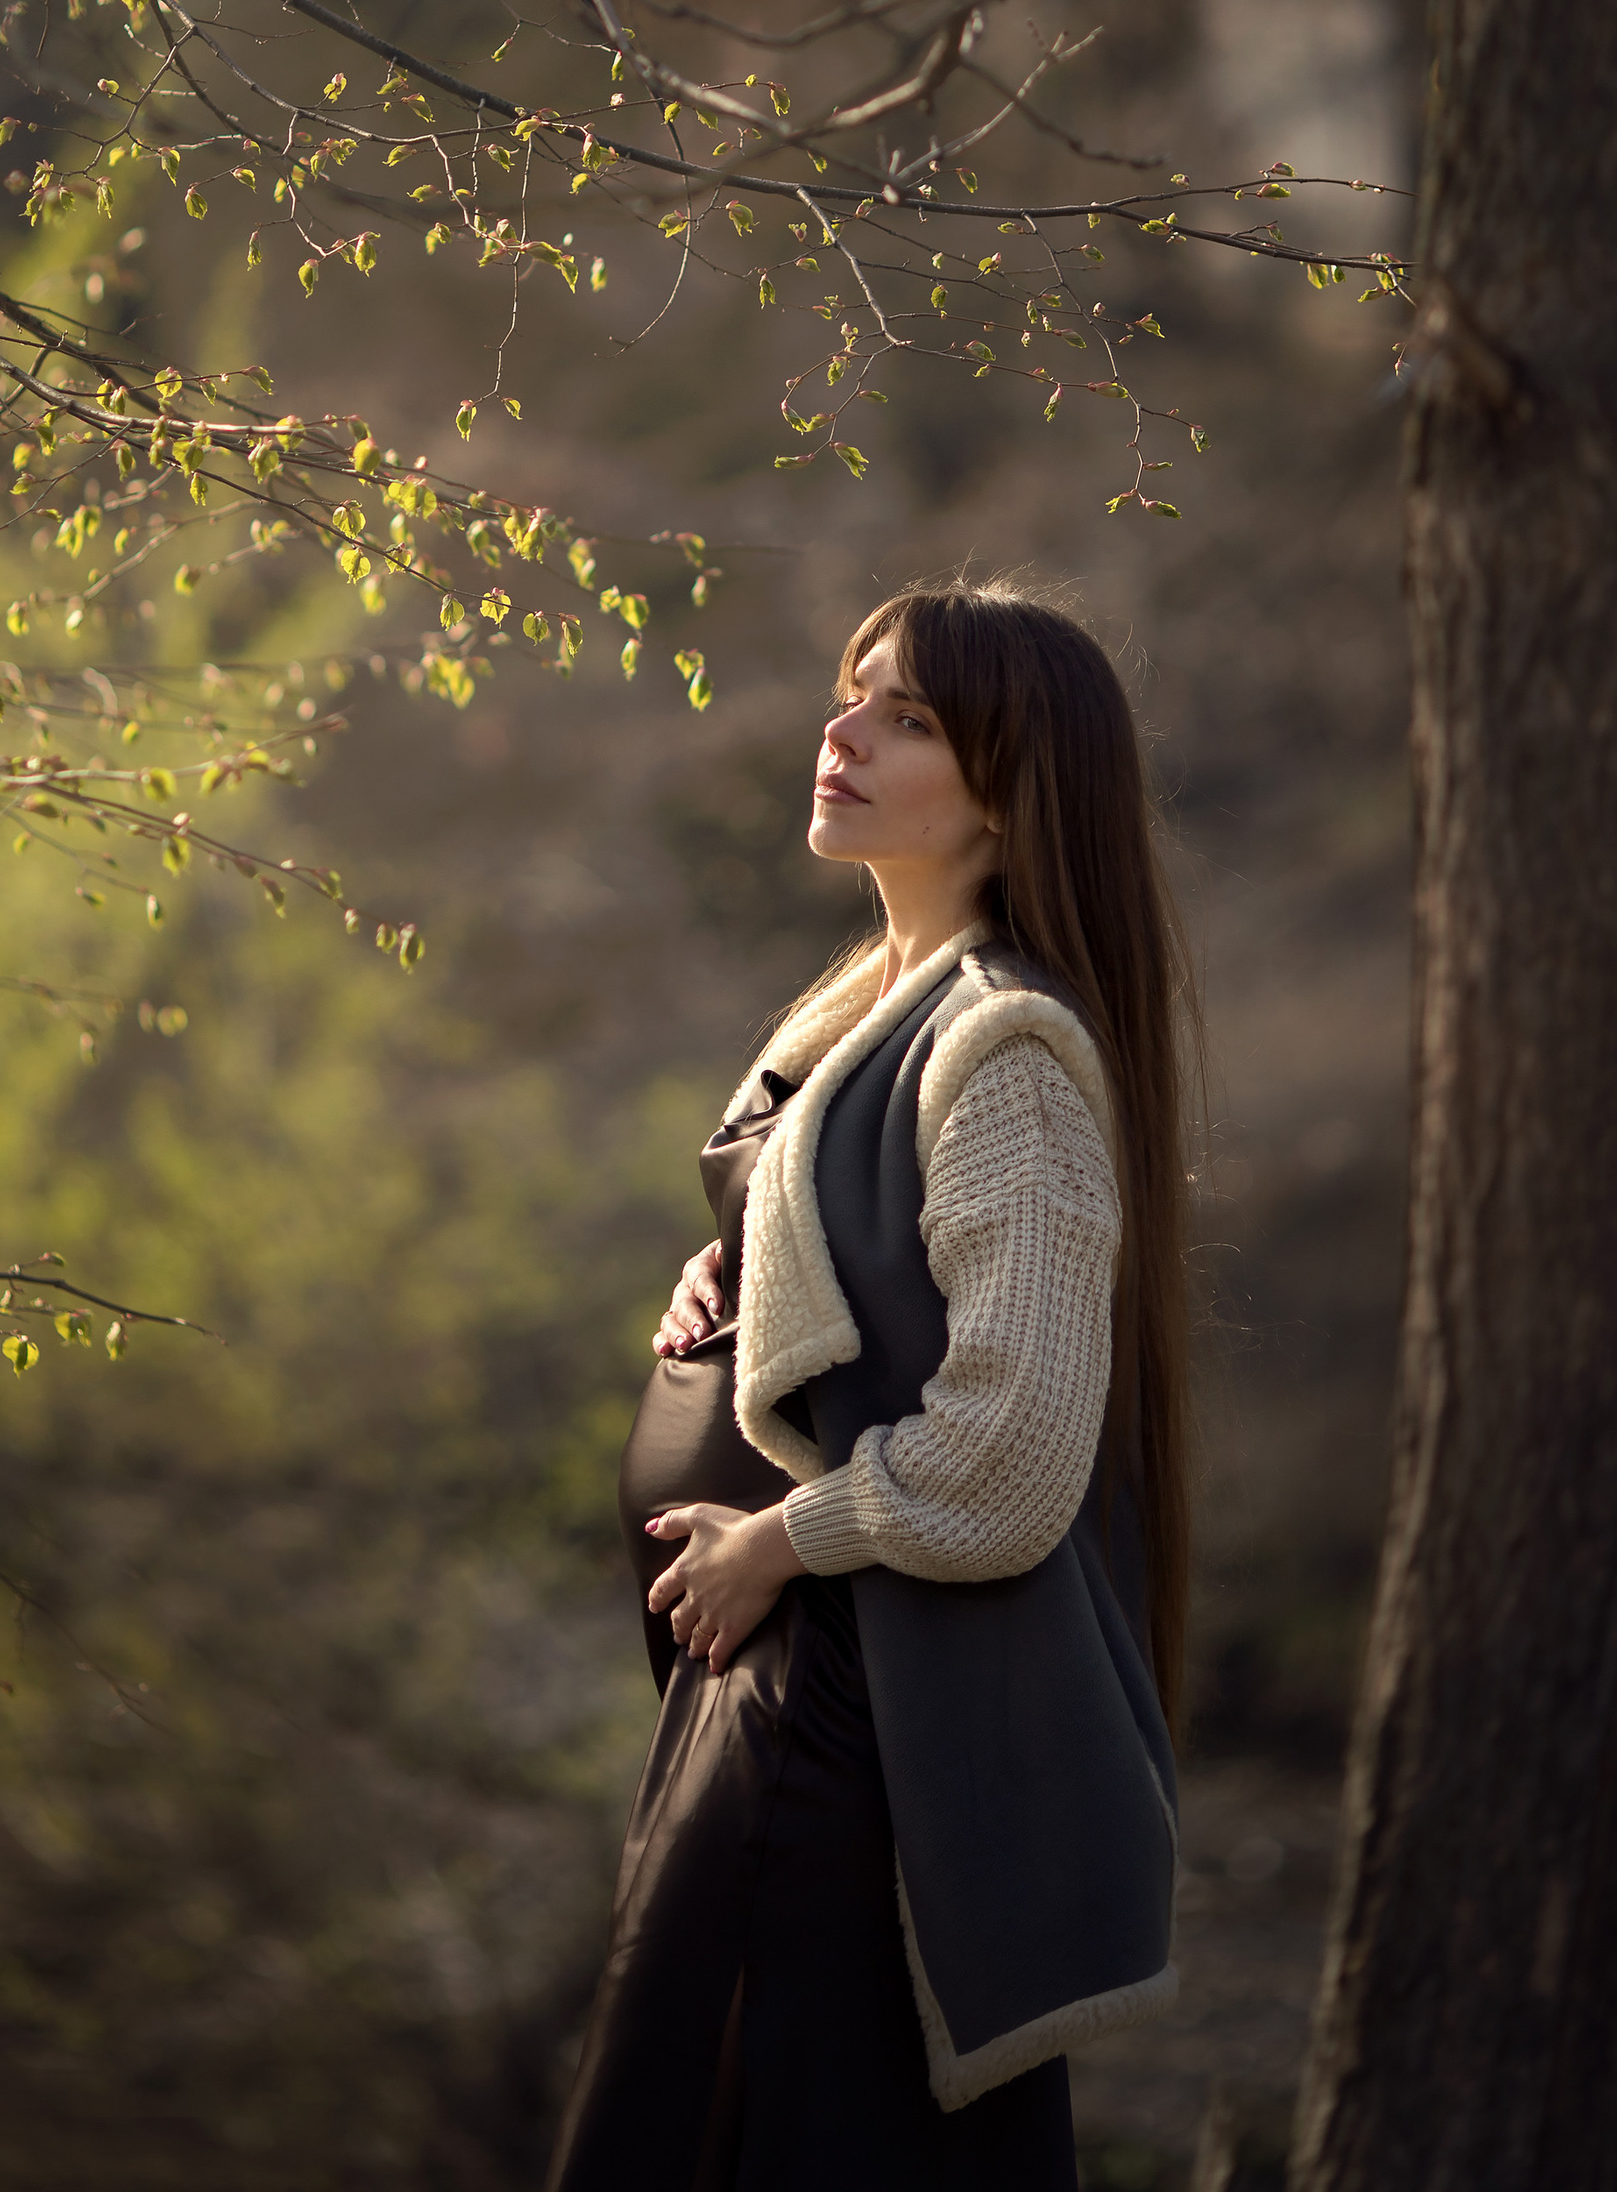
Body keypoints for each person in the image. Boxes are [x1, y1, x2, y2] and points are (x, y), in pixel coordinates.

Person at [546, 579, 1200, 2192]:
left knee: (771, 2138)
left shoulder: (1010, 1049)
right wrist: (737, 1280)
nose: (840, 734)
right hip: (780, 1687)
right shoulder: (865, 1000)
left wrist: (780, 1539)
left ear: (1007, 782)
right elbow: (852, 1265)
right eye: (854, 695)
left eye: (906, 715)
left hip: (856, 1712)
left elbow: (1014, 1445)